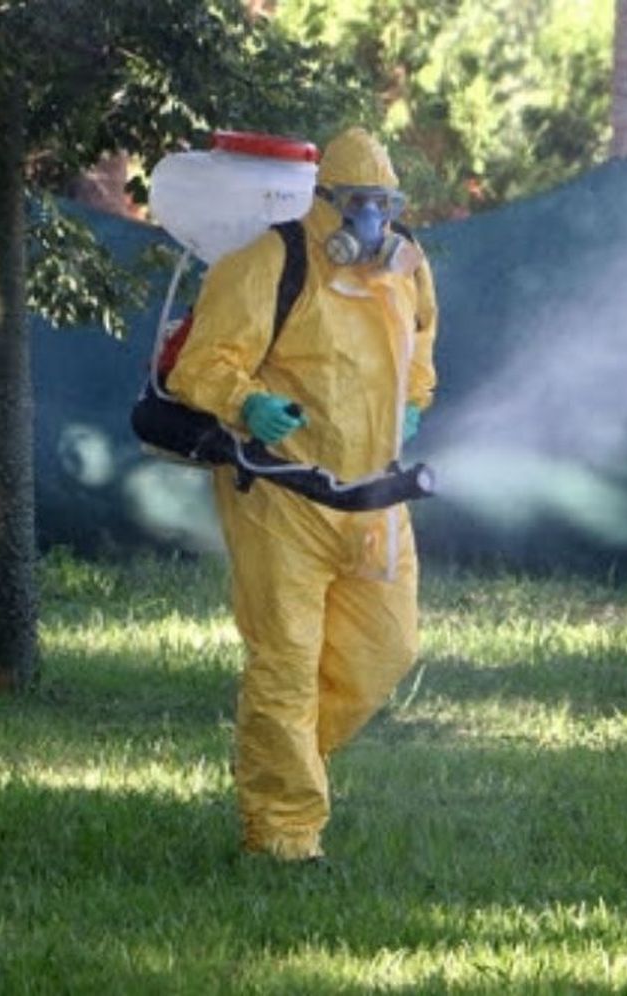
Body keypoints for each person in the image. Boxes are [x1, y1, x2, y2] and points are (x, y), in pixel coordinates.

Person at [168, 127, 438, 862]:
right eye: (357, 203)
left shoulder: (408, 267)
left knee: (386, 652)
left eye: (384, 204)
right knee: (286, 661)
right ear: (323, 202)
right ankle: (283, 835)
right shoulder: (269, 262)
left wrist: (413, 401)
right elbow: (203, 363)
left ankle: (281, 761)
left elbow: (421, 353)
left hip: (376, 499)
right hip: (281, 495)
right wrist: (245, 401)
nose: (372, 221)